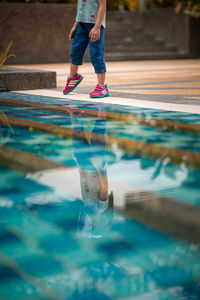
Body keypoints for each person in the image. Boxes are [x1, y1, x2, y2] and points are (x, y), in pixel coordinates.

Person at [63, 0, 109, 98]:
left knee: (95, 54)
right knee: (75, 50)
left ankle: (102, 87)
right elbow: (81, 9)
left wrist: (97, 27)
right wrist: (75, 26)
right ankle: (73, 77)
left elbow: (102, 6)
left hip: (95, 25)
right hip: (81, 24)